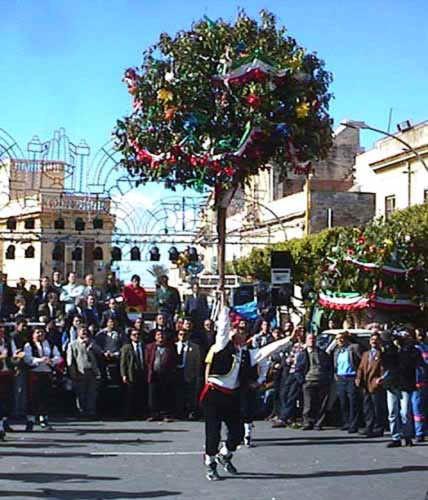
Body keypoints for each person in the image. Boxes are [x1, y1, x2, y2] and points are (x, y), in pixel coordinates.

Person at [201, 303, 296, 481]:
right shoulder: (222, 346)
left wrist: (289, 340)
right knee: (213, 433)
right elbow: (222, 326)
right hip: (214, 394)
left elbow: (268, 350)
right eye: (239, 330)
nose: (242, 333)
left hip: (231, 396)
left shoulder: (247, 354)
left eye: (244, 331)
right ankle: (210, 463)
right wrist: (223, 303)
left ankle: (225, 454)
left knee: (236, 433)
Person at [381, 329, 420, 447]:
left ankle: (407, 436)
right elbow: (386, 363)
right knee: (392, 411)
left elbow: (412, 362)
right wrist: (392, 347)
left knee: (405, 412)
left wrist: (404, 347)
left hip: (405, 384)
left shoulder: (410, 350)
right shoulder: (389, 350)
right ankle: (396, 437)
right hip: (392, 384)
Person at [24, 327, 61, 431]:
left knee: (45, 397)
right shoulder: (29, 345)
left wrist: (52, 361)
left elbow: (58, 357)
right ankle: (30, 421)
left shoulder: (50, 344)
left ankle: (43, 419)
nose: (40, 334)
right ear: (33, 334)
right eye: (37, 332)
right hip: (34, 374)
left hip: (46, 373)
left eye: (42, 332)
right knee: (33, 398)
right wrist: (40, 360)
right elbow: (27, 358)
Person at [295, 333, 332, 431]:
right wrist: (302, 381)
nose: (312, 340)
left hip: (322, 381)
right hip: (308, 381)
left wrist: (328, 378)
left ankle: (318, 423)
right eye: (310, 339)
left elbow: (329, 367)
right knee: (308, 404)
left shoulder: (322, 353)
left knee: (321, 404)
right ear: (306, 341)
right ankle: (307, 422)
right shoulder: (302, 354)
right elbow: (298, 369)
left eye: (313, 339)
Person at [272, 326, 306, 428]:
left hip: (298, 373)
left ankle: (284, 418)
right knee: (284, 394)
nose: (300, 334)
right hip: (289, 372)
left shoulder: (305, 346)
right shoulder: (294, 346)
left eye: (302, 332)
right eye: (299, 332)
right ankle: (284, 415)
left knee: (292, 396)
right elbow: (284, 351)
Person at [328, 331, 362, 433]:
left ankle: (353, 424)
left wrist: (358, 376)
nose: (340, 340)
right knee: (343, 401)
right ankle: (346, 422)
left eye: (342, 338)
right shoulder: (337, 351)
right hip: (341, 377)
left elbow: (361, 360)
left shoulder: (353, 348)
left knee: (353, 401)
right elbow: (329, 353)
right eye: (338, 339)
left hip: (351, 377)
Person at [355, 332, 387, 437]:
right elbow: (360, 367)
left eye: (376, 339)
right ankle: (369, 427)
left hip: (376, 384)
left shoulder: (382, 353)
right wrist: (358, 378)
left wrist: (381, 379)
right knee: (367, 407)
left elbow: (384, 368)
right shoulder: (366, 354)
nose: (373, 341)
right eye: (372, 339)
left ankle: (378, 428)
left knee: (377, 408)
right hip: (365, 384)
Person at [67, 326, 101, 418]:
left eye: (86, 331)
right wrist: (73, 373)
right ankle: (81, 412)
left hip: (92, 371)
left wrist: (91, 345)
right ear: (78, 332)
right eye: (82, 331)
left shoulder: (92, 343)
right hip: (80, 371)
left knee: (92, 393)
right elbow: (70, 360)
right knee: (81, 393)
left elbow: (100, 352)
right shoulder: (72, 344)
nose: (84, 333)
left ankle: (91, 412)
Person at [145, 330, 178, 421]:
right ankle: (154, 414)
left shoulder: (171, 347)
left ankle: (166, 415)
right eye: (158, 335)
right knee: (153, 395)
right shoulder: (150, 347)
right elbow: (147, 360)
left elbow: (175, 360)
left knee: (166, 395)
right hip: (154, 374)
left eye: (162, 335)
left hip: (166, 375)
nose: (161, 337)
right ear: (155, 337)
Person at [0, 325, 24, 438]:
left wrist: (17, 358)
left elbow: (14, 355)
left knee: (7, 398)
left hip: (7, 373)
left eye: (2, 330)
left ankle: (4, 423)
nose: (2, 332)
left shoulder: (9, 341)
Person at [175, 328, 201, 420]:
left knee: (190, 394)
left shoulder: (195, 347)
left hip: (189, 373)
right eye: (181, 334)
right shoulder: (174, 346)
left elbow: (197, 363)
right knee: (178, 394)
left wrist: (197, 375)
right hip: (177, 373)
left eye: (185, 334)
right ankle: (179, 413)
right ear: (178, 336)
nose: (183, 336)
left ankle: (191, 412)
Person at [120, 328, 146, 419]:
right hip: (131, 373)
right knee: (130, 394)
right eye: (134, 335)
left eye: (138, 334)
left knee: (141, 394)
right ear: (131, 337)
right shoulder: (126, 347)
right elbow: (123, 363)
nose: (136, 336)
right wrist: (123, 375)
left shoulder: (144, 346)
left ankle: (140, 413)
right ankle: (129, 414)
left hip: (142, 372)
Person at [412, 329, 428, 442]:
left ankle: (421, 432)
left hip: (421, 382)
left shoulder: (422, 348)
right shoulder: (414, 349)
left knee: (419, 408)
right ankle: (419, 432)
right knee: (417, 409)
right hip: (416, 382)